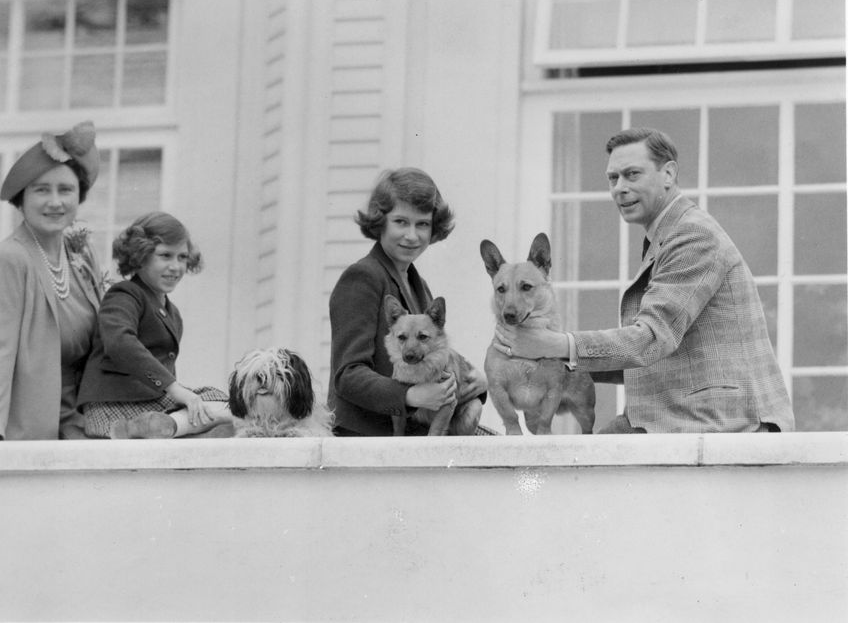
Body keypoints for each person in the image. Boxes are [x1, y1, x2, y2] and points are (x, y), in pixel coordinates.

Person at [495, 128, 794, 433]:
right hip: (683, 416)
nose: (619, 188)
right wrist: (550, 355)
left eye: (632, 174)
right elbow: (650, 361)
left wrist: (558, 344)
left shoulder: (693, 235)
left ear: (668, 174)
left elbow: (650, 340)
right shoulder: (666, 236)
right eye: (613, 178)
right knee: (576, 467)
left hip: (724, 422)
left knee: (578, 469)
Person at [0, 121, 104, 441]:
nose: (55, 202)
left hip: (82, 423)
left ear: (79, 197)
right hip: (32, 428)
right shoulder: (8, 260)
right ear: (21, 200)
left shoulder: (81, 258)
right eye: (42, 190)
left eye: (65, 190)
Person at [328, 167, 487, 436]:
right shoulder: (363, 277)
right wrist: (411, 396)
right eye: (401, 222)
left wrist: (477, 380)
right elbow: (348, 375)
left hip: (411, 442)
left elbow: (436, 349)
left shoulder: (417, 284)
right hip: (366, 440)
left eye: (422, 224)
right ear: (381, 222)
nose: (412, 235)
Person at [78, 212, 232, 439]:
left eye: (182, 257)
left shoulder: (172, 313)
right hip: (113, 406)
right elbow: (120, 343)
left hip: (152, 404)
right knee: (214, 410)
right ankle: (163, 427)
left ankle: (170, 426)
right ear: (140, 256)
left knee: (220, 400)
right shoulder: (124, 294)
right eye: (165, 255)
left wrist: (184, 397)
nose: (176, 266)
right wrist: (176, 389)